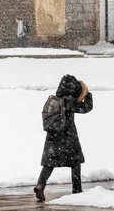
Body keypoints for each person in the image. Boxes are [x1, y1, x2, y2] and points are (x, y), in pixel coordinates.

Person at [34, 74, 94, 202]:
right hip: (68, 137)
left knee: (49, 164)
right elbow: (86, 108)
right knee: (75, 162)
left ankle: (40, 184)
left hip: (52, 136)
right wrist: (88, 95)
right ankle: (77, 190)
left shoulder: (55, 100)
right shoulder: (70, 100)